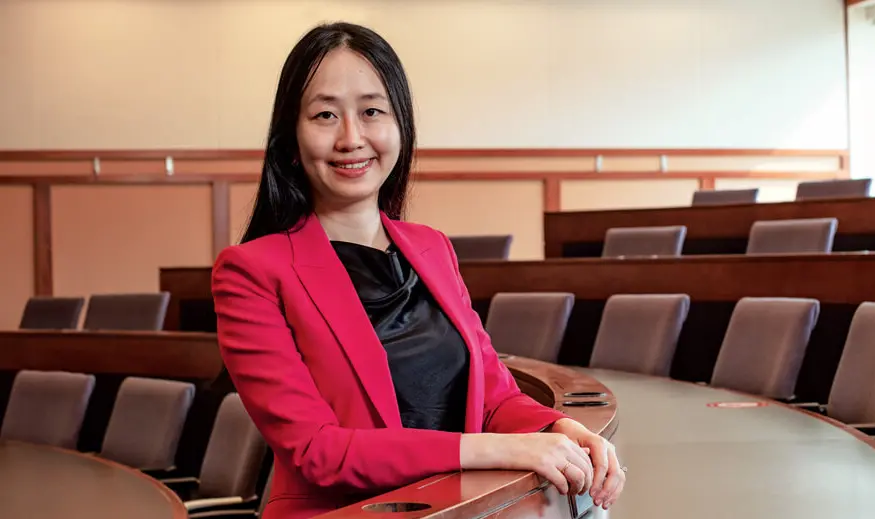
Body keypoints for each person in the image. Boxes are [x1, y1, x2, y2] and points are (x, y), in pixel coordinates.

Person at [211, 21, 626, 519]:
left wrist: (557, 429)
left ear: (399, 125)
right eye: (325, 114)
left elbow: (493, 396)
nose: (351, 137)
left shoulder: (431, 249)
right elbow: (319, 452)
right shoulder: (251, 273)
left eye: (371, 112)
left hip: (465, 508)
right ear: (291, 140)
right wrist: (501, 449)